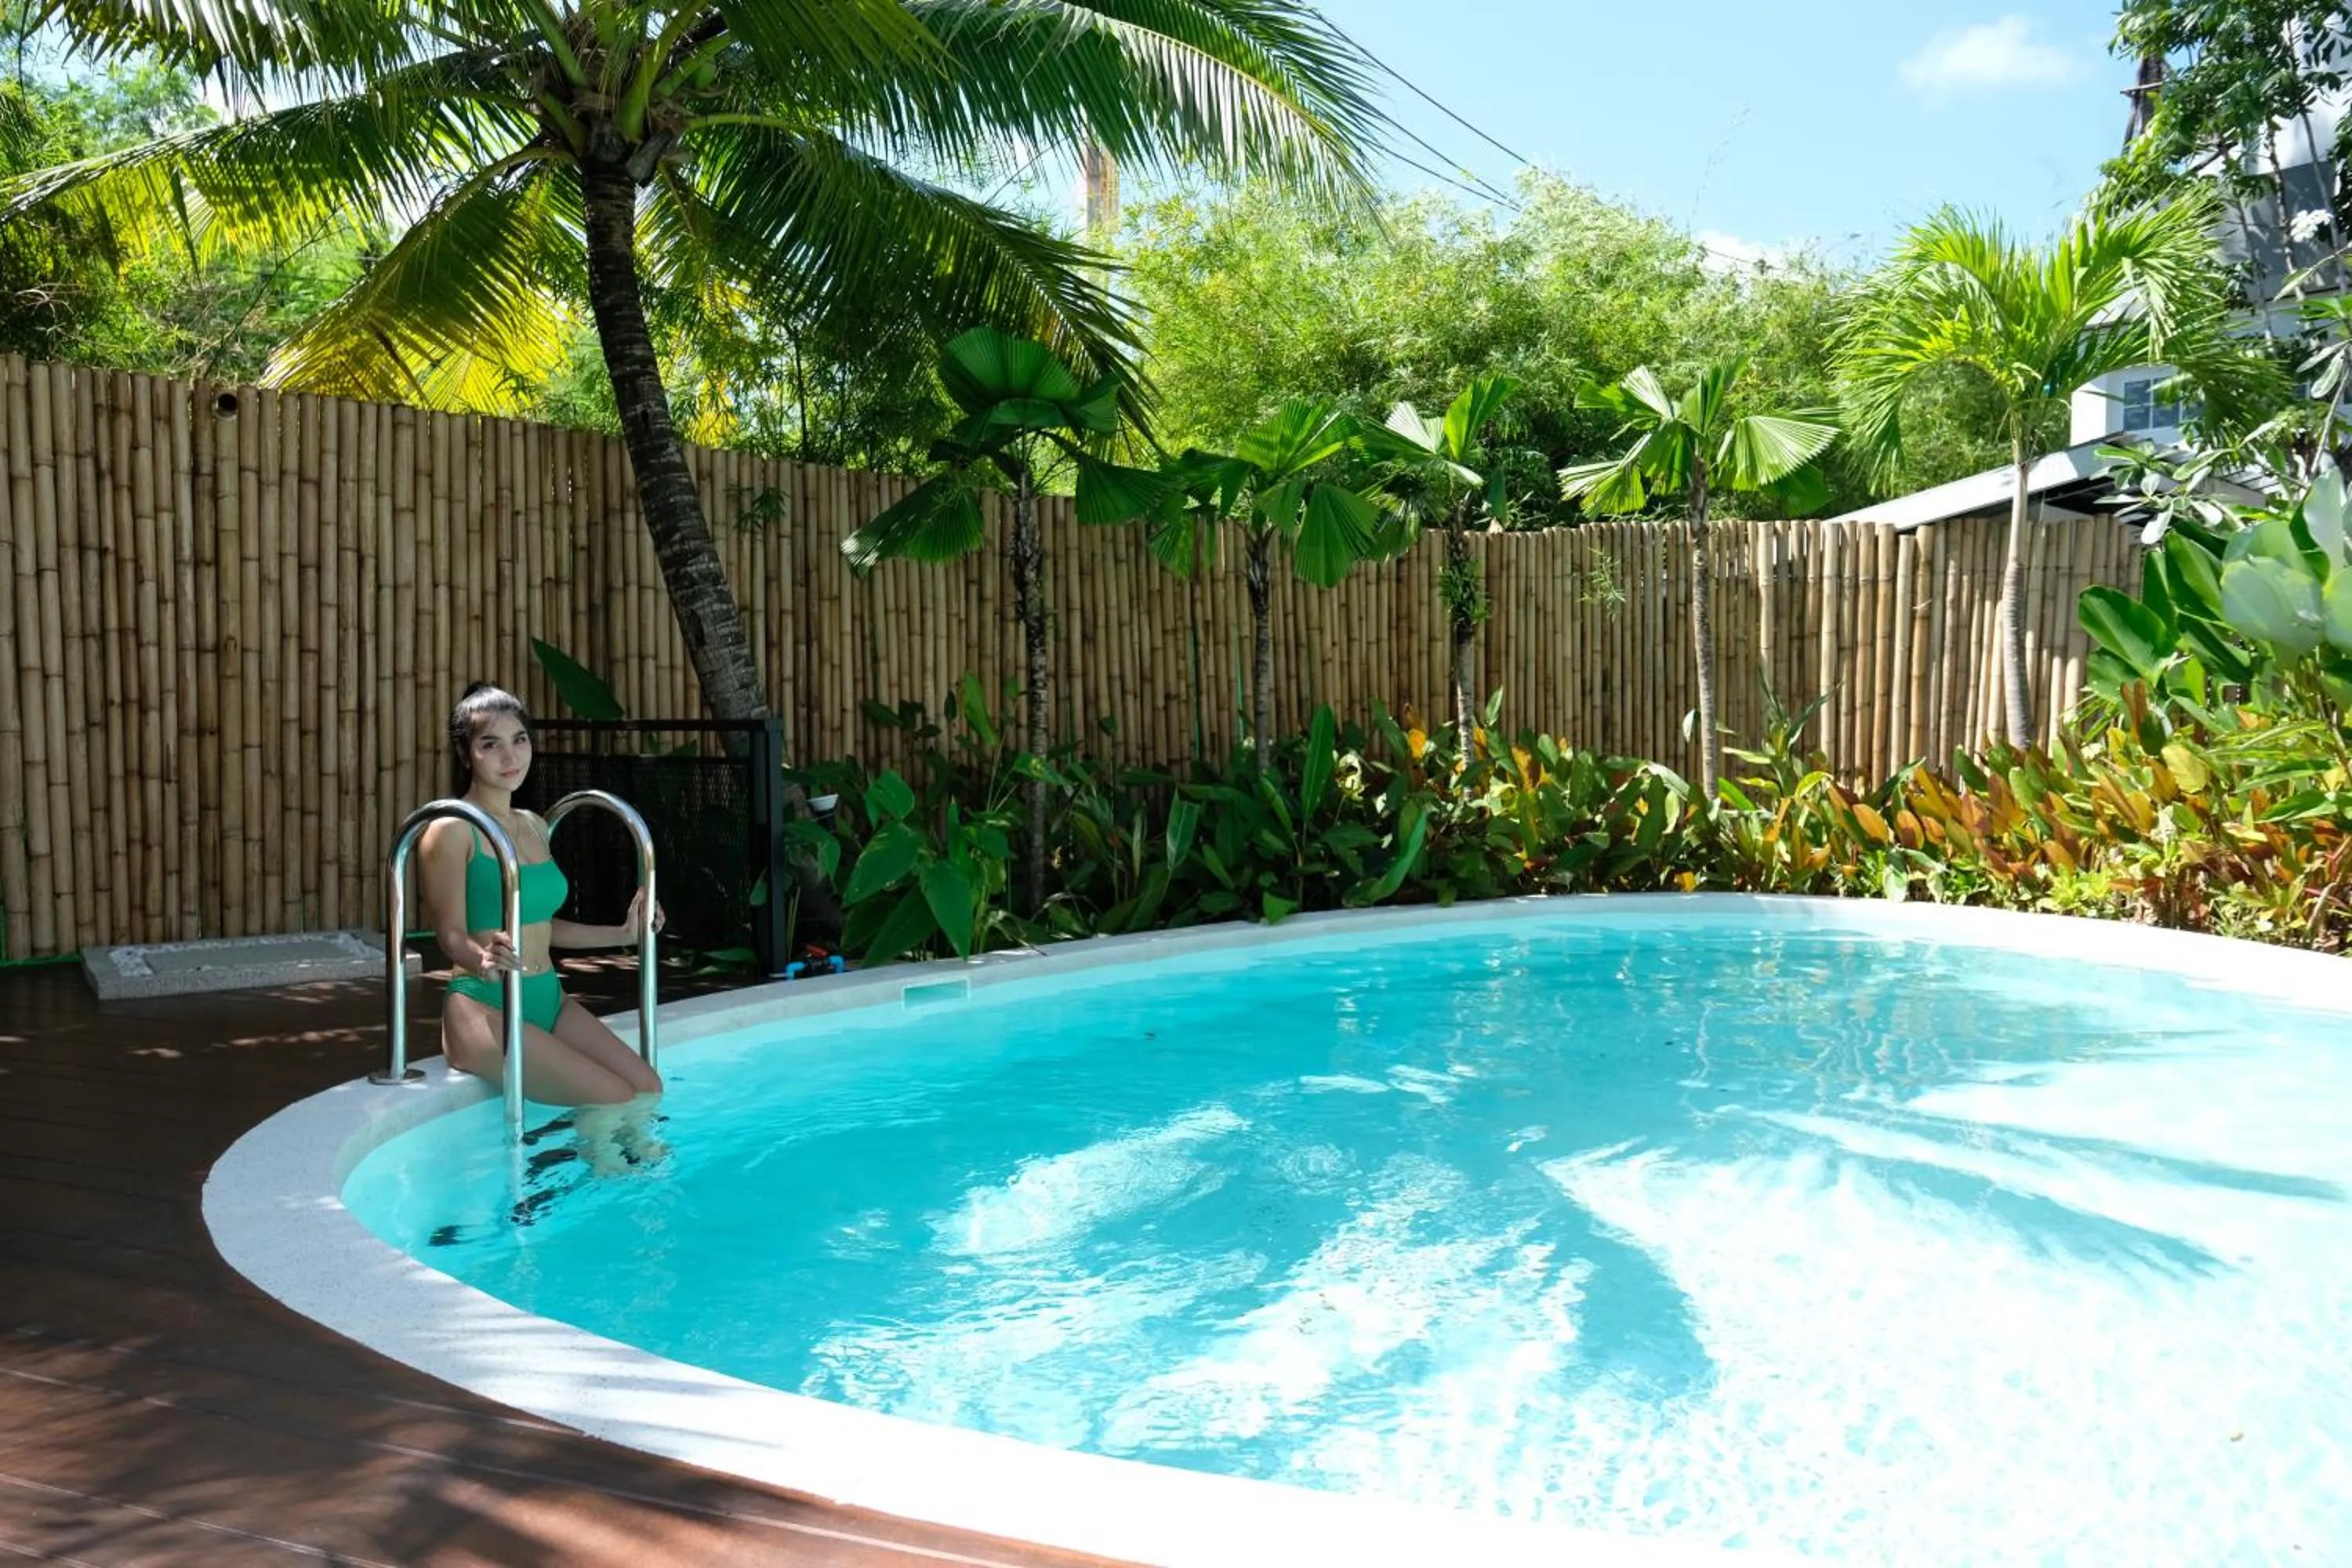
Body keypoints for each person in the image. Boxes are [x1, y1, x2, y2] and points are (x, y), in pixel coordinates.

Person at [419, 682, 665, 1164]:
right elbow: (448, 932)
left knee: (646, 1088)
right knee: (611, 1098)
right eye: (490, 744)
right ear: (465, 754)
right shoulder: (451, 829)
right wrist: (481, 957)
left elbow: (544, 927)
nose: (510, 756)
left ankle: (625, 1179)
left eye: (519, 740)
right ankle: (599, 1184)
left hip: (547, 996)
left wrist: (623, 934)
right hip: (483, 1005)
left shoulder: (533, 825)